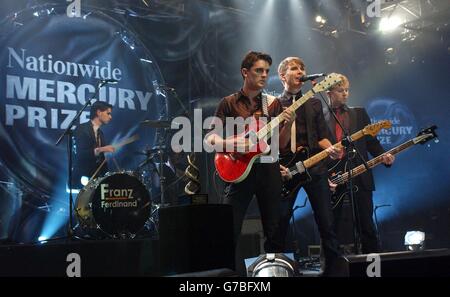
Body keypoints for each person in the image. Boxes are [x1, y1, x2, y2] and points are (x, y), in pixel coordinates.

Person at [205, 51, 295, 273]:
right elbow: (210, 139)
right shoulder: (228, 103)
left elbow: (281, 145)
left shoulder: (272, 104)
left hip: (269, 170)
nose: (264, 75)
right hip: (238, 171)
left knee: (274, 230)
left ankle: (273, 273)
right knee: (228, 229)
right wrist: (234, 145)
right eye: (259, 71)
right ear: (245, 72)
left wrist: (286, 124)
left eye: (266, 71)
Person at [276, 56, 343, 276]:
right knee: (280, 223)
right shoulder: (275, 103)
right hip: (286, 169)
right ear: (282, 75)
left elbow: (322, 136)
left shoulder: (314, 101)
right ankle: (279, 270)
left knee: (326, 222)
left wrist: (332, 148)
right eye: (293, 68)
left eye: (302, 68)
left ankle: (332, 271)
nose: (299, 71)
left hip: (314, 167)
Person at [325, 74, 395, 254]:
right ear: (329, 92)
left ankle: (372, 268)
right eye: (341, 90)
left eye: (347, 90)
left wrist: (383, 155)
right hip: (332, 178)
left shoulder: (359, 112)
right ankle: (332, 268)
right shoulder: (320, 116)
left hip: (360, 174)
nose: (345, 94)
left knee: (367, 225)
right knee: (330, 227)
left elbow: (372, 142)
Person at [72, 101, 115, 189]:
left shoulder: (101, 133)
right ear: (99, 112)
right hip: (83, 180)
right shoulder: (82, 128)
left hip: (97, 180)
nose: (110, 117)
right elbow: (81, 155)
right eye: (108, 113)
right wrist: (102, 149)